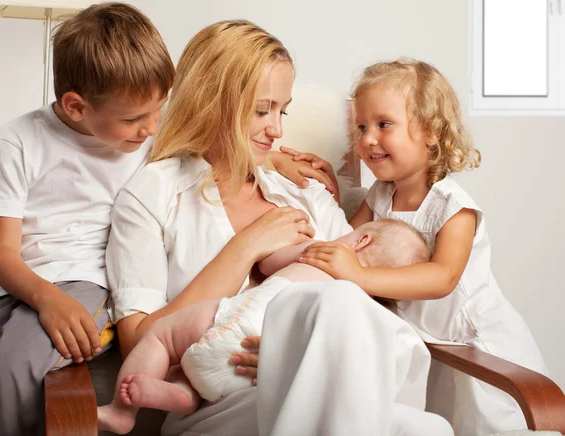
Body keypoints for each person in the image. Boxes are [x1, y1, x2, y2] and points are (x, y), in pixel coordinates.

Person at [106, 20, 452, 436]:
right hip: (218, 406)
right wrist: (244, 249)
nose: (277, 129)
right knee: (338, 303)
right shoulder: (154, 194)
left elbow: (367, 308)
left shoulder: (302, 191)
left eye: (282, 110)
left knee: (427, 429)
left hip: (330, 383)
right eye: (261, 110)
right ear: (212, 100)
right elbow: (138, 338)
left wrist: (296, 353)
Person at [296, 58, 548, 435]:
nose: (367, 139)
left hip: (475, 343)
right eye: (361, 127)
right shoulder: (380, 195)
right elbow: (345, 243)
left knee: (485, 423)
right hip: (427, 343)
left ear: (431, 132)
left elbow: (441, 277)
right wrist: (330, 184)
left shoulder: (451, 206)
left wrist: (361, 277)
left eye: (384, 125)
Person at [0, 3, 175, 435]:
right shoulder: (19, 139)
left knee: (11, 365)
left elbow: (224, 147)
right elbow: (1, 252)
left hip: (88, 280)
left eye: (158, 111)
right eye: (135, 118)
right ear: (75, 106)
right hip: (17, 285)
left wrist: (282, 164)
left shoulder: (152, 140)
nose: (151, 128)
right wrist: (44, 298)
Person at [98, 218, 430, 434]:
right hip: (255, 379)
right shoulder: (365, 300)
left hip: (241, 325)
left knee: (164, 338)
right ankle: (185, 397)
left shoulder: (325, 252)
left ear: (361, 240)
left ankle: (126, 410)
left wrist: (292, 243)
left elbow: (268, 262)